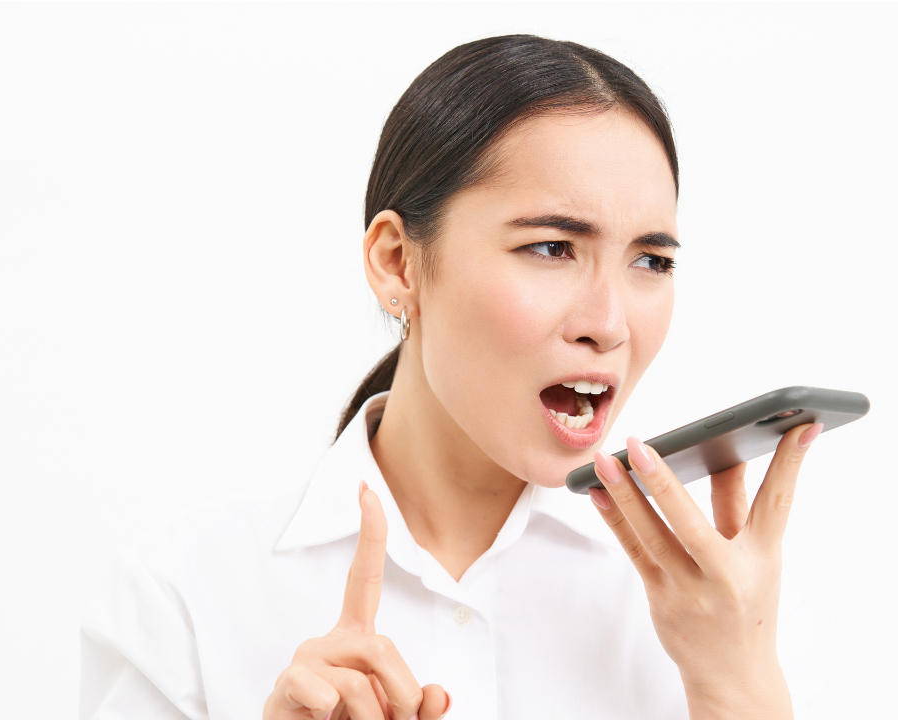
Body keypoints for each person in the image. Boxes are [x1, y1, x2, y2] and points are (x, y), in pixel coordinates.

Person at [81, 34, 823, 720]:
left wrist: (737, 677)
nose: (612, 322)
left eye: (651, 262)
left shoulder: (715, 606)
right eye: (551, 248)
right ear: (397, 263)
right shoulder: (185, 597)